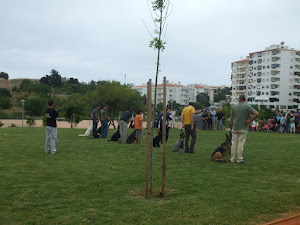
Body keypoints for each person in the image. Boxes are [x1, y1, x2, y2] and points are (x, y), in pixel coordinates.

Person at [230, 95, 259, 163]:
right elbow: (256, 113)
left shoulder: (234, 107)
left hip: (235, 127)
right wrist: (250, 120)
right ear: (245, 99)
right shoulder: (247, 106)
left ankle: (232, 158)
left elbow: (231, 119)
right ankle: (239, 159)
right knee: (241, 143)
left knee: (234, 143)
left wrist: (231, 127)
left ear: (239, 99)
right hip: (243, 127)